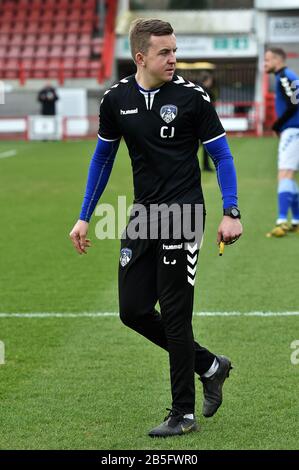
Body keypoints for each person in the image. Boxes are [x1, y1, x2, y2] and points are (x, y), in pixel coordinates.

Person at [69, 19, 243, 437]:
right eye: (165, 52)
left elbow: (222, 157)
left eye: (175, 50)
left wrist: (231, 211)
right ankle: (209, 365)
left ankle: (182, 413)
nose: (174, 59)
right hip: (143, 215)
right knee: (132, 310)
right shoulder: (116, 100)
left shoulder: (192, 97)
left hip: (183, 215)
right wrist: (83, 216)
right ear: (140, 57)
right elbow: (103, 159)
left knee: (176, 314)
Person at [264, 47, 299, 237]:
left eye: (267, 60)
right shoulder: (289, 75)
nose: (265, 64)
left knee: (284, 175)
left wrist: (277, 124)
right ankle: (295, 221)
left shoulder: (284, 75)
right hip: (295, 130)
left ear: (278, 60)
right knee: (290, 175)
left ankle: (281, 221)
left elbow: (295, 103)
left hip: (293, 131)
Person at [199, 71, 215, 172]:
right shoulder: (207, 92)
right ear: (207, 80)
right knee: (206, 145)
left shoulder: (194, 89)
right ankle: (206, 166)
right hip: (204, 123)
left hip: (195, 122)